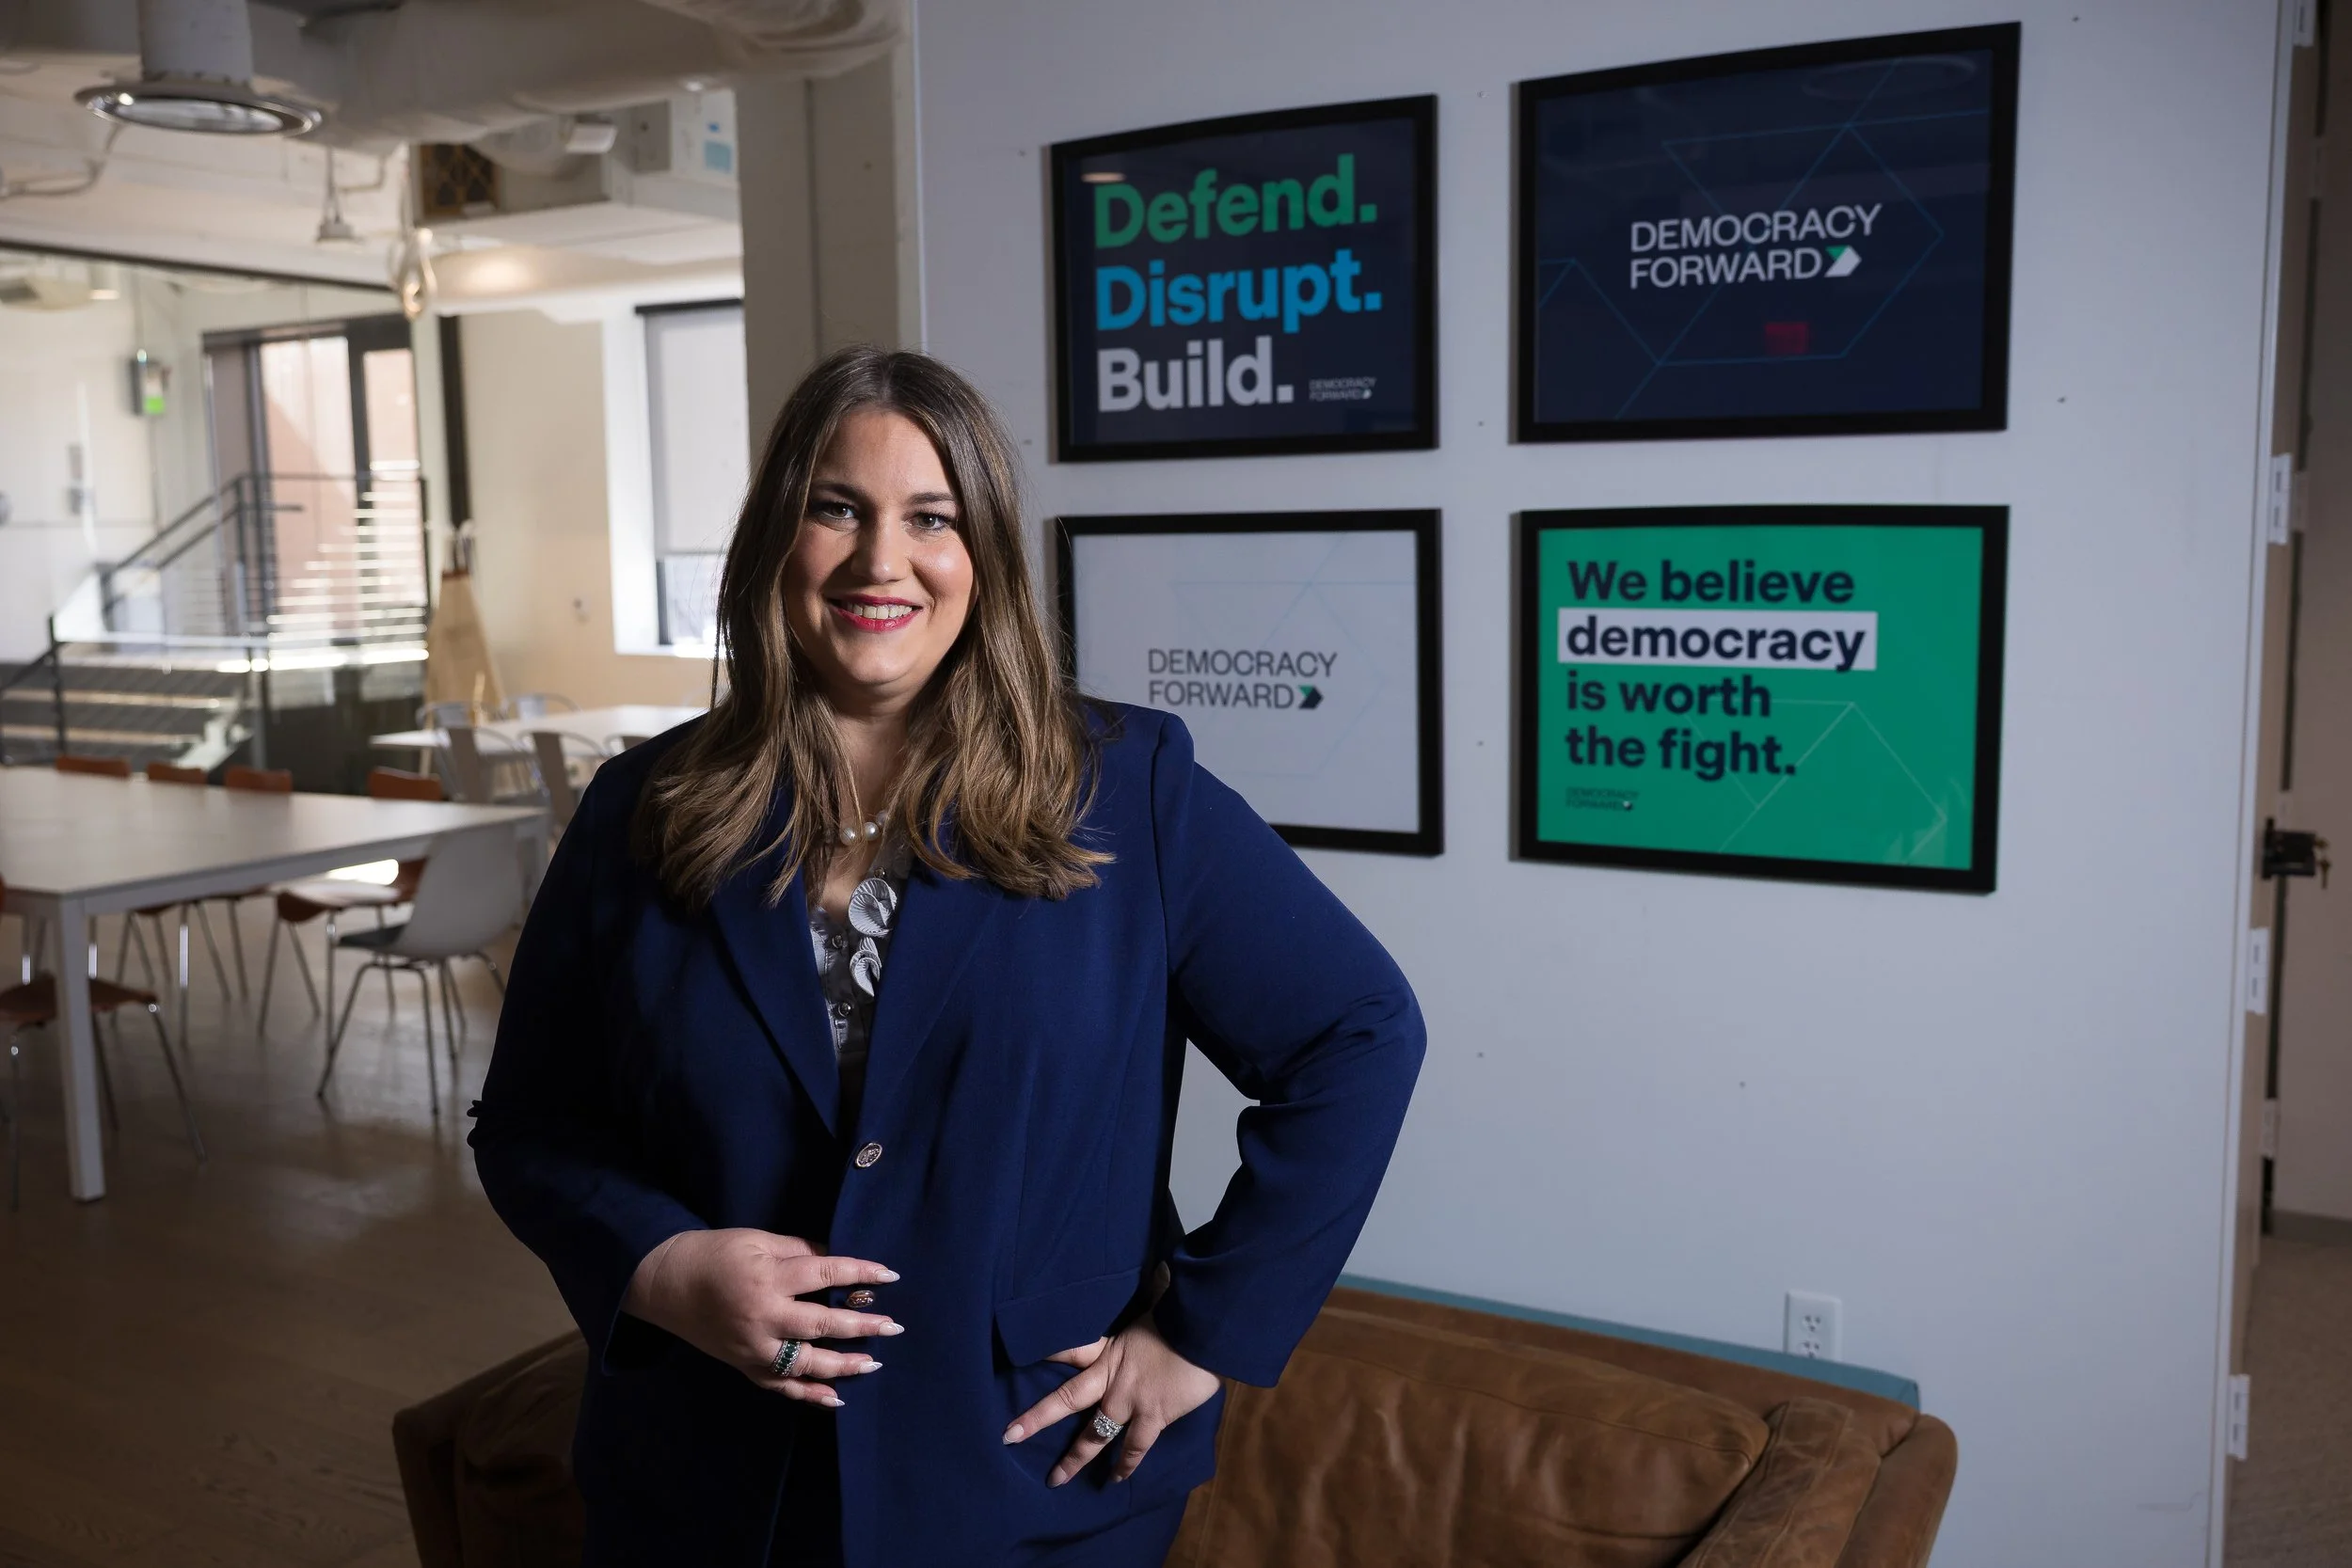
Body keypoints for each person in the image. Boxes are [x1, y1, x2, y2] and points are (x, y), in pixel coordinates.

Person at [469, 345, 1425, 1567]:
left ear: (985, 554)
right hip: (710, 1481)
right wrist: (657, 1268)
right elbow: (530, 1126)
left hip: (1026, 1480)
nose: (882, 561)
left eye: (931, 517)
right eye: (838, 509)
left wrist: (1203, 1333)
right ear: (775, 539)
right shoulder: (638, 809)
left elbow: (1359, 1034)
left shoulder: (1129, 789)